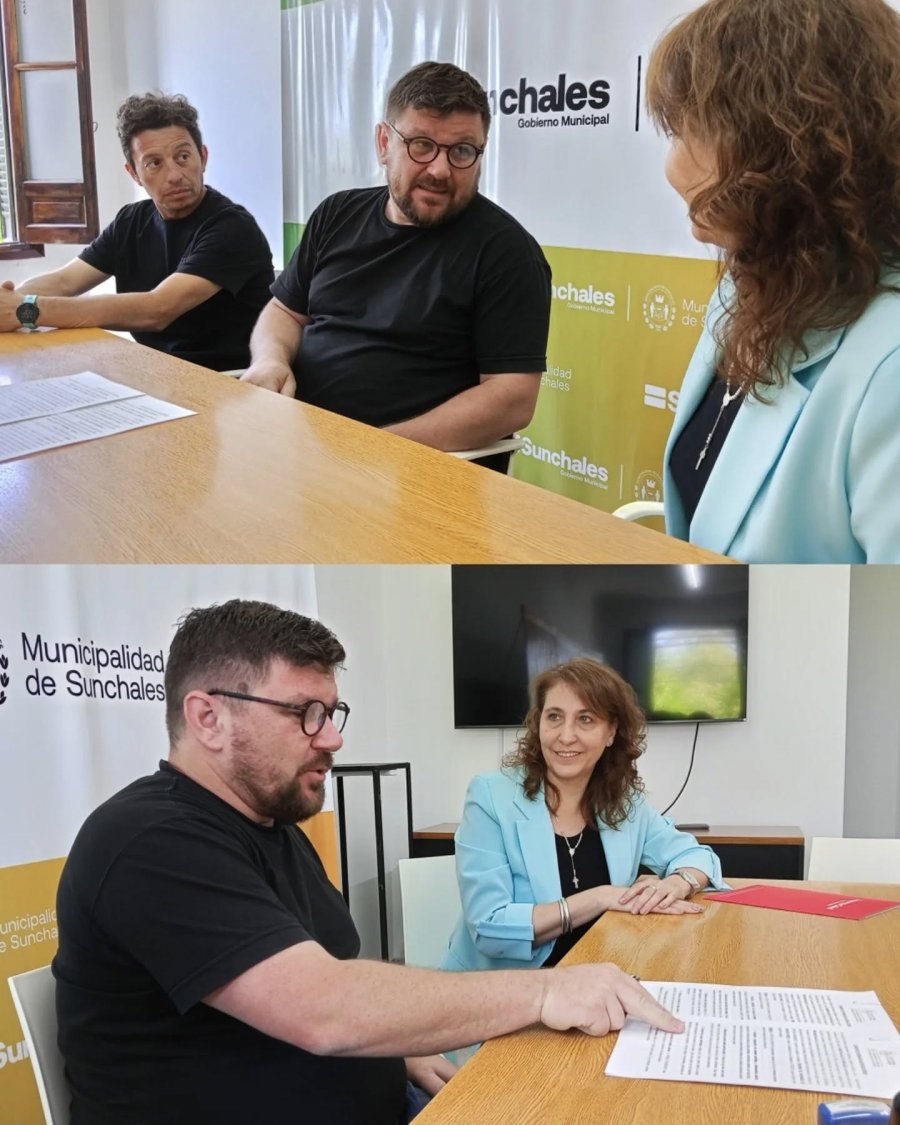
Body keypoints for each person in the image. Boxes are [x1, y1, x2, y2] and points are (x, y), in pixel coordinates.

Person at [53, 600, 683, 1125]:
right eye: (306, 714)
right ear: (208, 717)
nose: (332, 738)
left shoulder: (273, 829)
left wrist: (398, 1052)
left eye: (331, 714)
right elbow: (322, 1006)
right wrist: (548, 989)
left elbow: (333, 975)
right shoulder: (149, 841)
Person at [646, 0, 900, 562]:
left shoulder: (889, 370)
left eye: (691, 131)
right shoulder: (747, 284)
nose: (671, 169)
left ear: (788, 142)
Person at [242, 62, 551, 466]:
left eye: (461, 151)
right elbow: (284, 311)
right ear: (384, 142)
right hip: (298, 450)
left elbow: (511, 400)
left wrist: (374, 449)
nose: (440, 170)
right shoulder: (336, 214)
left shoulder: (507, 253)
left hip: (412, 474)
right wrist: (270, 359)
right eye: (421, 144)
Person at [442, 658, 726, 973]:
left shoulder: (624, 801)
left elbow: (697, 856)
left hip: (599, 973)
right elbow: (489, 928)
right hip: (502, 990)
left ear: (611, 732)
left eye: (586, 719)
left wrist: (678, 881)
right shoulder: (490, 797)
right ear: (539, 725)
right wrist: (600, 898)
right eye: (554, 717)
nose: (566, 735)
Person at [0, 93, 274, 371]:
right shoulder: (131, 220)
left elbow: (156, 310)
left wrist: (26, 310)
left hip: (228, 382)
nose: (174, 175)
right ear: (134, 173)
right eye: (154, 163)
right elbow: (64, 282)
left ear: (202, 158)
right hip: (156, 373)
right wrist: (10, 301)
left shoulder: (232, 228)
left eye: (183, 157)